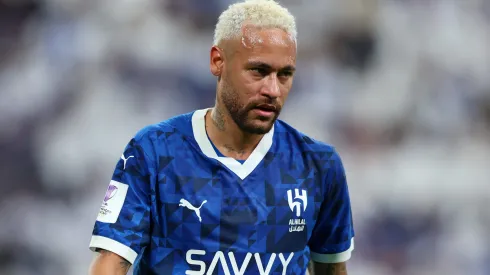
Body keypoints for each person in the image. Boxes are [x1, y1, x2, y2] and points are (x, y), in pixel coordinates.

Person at [88, 0, 355, 274]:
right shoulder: (154, 152)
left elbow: (331, 269)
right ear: (218, 61)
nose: (273, 89)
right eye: (259, 71)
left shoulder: (319, 165)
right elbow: (111, 264)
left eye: (284, 74)